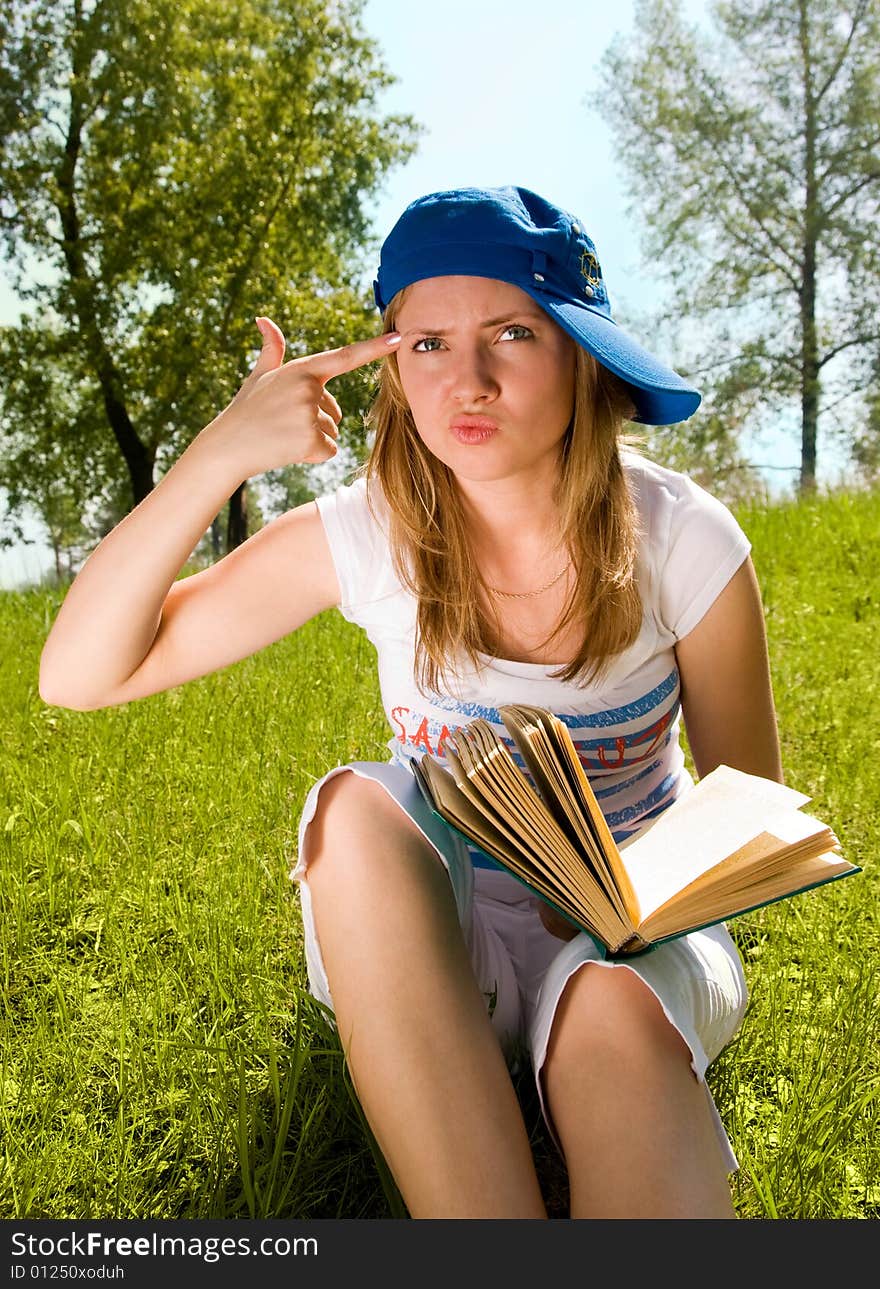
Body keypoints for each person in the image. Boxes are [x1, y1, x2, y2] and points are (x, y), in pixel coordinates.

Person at [39, 184, 783, 1220]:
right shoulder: (369, 532)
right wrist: (224, 452)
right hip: (443, 946)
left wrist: (628, 907)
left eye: (512, 333)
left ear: (581, 352)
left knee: (609, 1008)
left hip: (639, 945)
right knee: (352, 808)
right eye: (427, 343)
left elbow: (750, 806)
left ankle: (597, 1041)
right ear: (391, 364)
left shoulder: (683, 538)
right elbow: (78, 673)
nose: (466, 380)